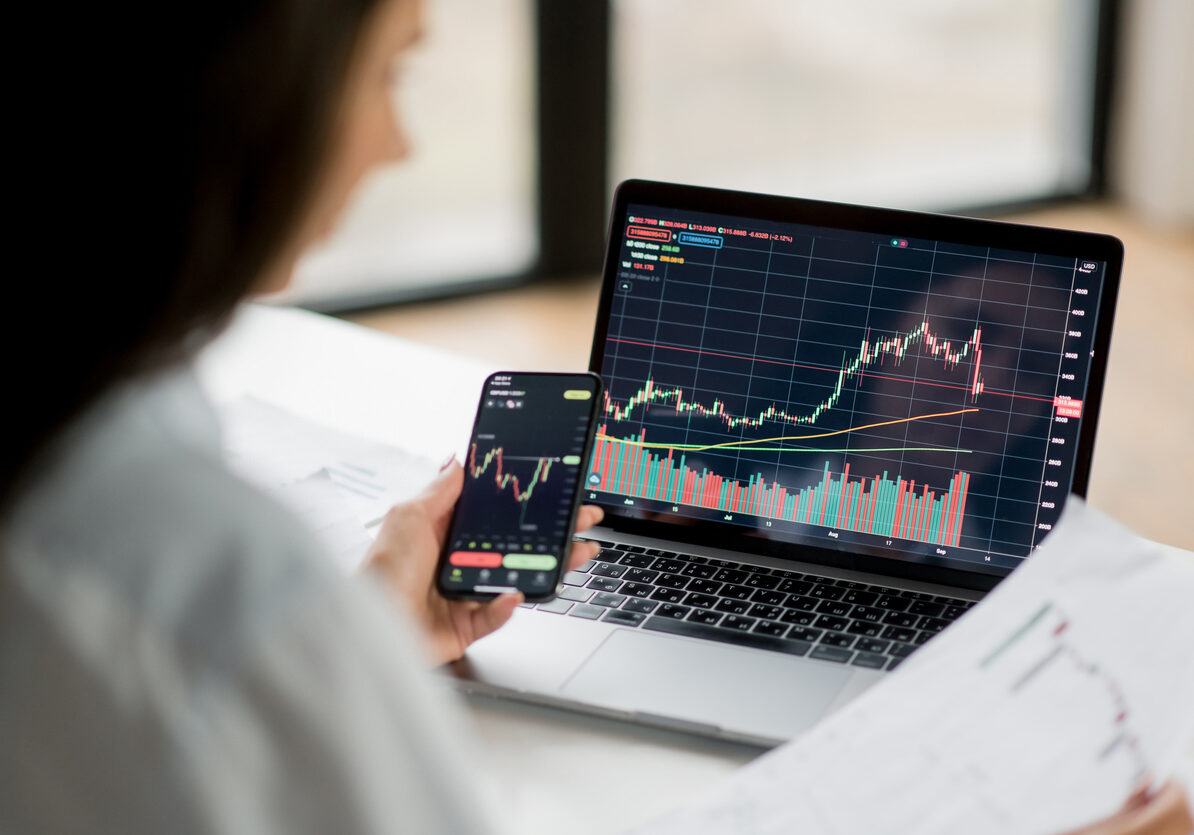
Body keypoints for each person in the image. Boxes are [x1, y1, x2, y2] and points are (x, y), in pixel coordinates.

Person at [1, 1, 1189, 832]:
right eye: (391, 69)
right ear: (251, 92)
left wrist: (368, 633)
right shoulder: (215, 586)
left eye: (1032, 359)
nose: (401, 140)